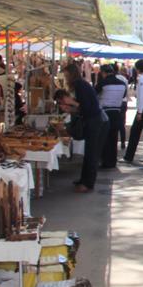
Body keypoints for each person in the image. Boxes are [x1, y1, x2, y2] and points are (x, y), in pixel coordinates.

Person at [59, 63, 105, 193]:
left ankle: (88, 183)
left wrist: (71, 103)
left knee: (91, 154)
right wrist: (71, 108)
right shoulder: (81, 85)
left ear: (72, 74)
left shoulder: (80, 85)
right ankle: (84, 180)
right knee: (88, 153)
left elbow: (85, 106)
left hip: (94, 121)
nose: (66, 78)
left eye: (67, 75)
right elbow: (82, 108)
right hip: (92, 120)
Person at [95, 64, 128, 169]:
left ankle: (105, 161)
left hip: (104, 112)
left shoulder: (102, 83)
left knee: (104, 138)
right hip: (117, 112)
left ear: (103, 73)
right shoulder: (122, 84)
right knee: (113, 138)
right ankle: (112, 161)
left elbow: (94, 94)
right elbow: (123, 96)